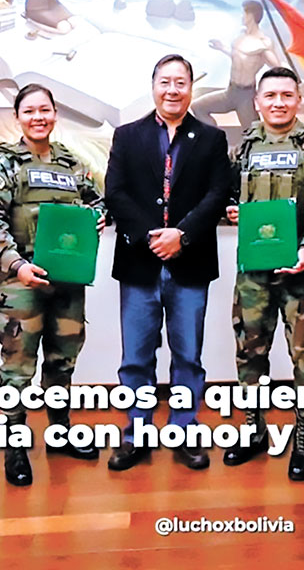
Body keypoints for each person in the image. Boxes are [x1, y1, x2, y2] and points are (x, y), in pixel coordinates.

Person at [0, 83, 106, 486]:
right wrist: (17, 265)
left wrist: (98, 217)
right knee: (18, 369)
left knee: (62, 362)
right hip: (21, 284)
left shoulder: (70, 163)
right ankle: (15, 448)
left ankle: (60, 432)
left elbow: (98, 201)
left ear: (54, 115)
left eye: (45, 110)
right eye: (29, 111)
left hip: (66, 283)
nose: (38, 117)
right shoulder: (4, 164)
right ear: (18, 117)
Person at [104, 54, 230, 472]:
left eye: (181, 82)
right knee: (136, 358)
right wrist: (150, 237)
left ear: (191, 88)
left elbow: (217, 195)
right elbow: (116, 193)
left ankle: (184, 430)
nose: (172, 90)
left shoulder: (212, 139)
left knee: (188, 356)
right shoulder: (127, 135)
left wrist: (183, 235)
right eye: (165, 82)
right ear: (153, 85)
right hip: (139, 263)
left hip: (190, 264)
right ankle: (135, 434)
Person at [220, 67, 304, 481]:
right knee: (249, 353)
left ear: (298, 100)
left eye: (286, 95)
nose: (278, 102)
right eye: (269, 95)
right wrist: (233, 210)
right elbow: (231, 195)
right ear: (256, 101)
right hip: (253, 275)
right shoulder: (247, 145)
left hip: (301, 273)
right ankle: (253, 430)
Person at [193, 0, 282, 133]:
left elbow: (276, 67)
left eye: (244, 14)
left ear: (251, 16)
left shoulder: (263, 43)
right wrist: (222, 47)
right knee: (198, 107)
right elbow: (238, 59)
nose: (242, 17)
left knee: (253, 133)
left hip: (246, 96)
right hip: (230, 92)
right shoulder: (240, 38)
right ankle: (216, 137)